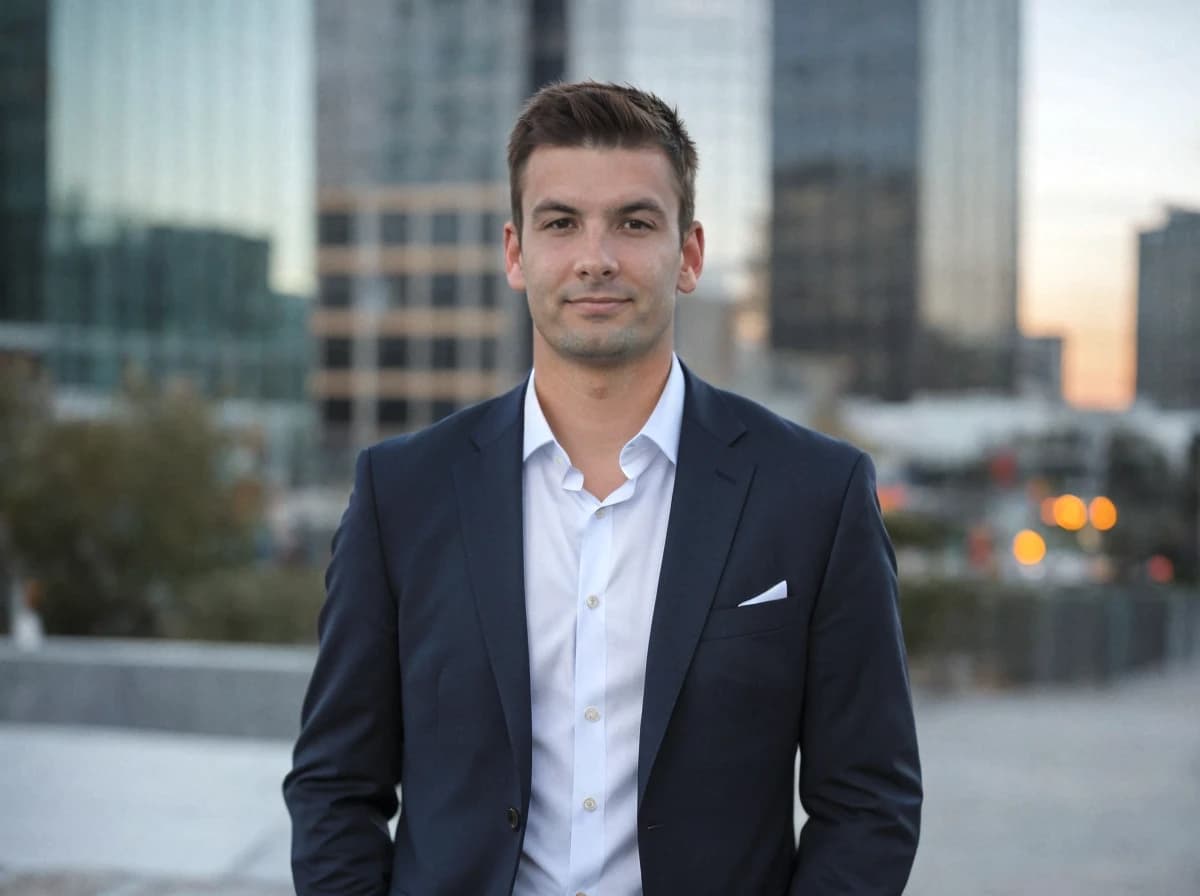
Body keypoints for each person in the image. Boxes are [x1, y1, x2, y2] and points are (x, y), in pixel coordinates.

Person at [284, 81, 922, 895]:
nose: (596, 258)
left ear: (688, 255)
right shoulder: (401, 492)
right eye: (560, 223)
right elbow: (335, 785)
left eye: (634, 221)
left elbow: (870, 800)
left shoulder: (815, 493)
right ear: (515, 254)